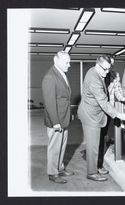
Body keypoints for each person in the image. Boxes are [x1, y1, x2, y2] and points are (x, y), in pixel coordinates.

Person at [78, 55, 125, 182]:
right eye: (105, 69)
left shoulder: (96, 71)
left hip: (96, 114)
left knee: (98, 143)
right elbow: (103, 101)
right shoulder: (94, 79)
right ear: (98, 65)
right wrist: (119, 114)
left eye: (109, 69)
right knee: (92, 146)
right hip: (91, 115)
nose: (107, 72)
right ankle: (91, 173)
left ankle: (97, 166)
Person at [42, 51, 74, 184]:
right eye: (66, 62)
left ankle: (59, 168)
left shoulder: (61, 74)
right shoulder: (50, 77)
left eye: (69, 62)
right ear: (56, 61)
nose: (69, 65)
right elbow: (49, 102)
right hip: (56, 120)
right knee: (54, 147)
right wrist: (55, 122)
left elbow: (64, 98)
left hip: (63, 118)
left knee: (61, 146)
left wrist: (69, 114)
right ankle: (52, 173)